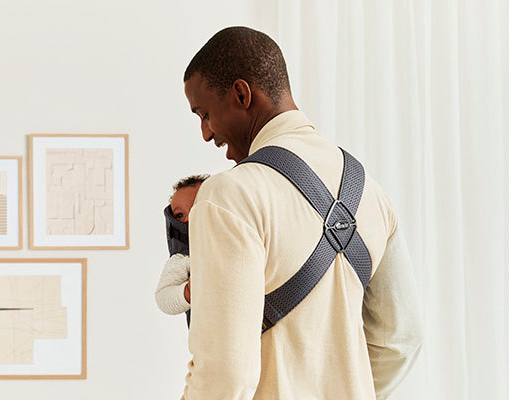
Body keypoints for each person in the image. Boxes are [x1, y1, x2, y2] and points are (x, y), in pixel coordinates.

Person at [180, 26, 423, 400]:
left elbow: (225, 375)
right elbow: (401, 339)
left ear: (242, 94)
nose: (206, 133)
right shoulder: (372, 194)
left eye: (205, 113)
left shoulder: (229, 194)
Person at [155, 175, 209, 316]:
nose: (188, 218)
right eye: (179, 215)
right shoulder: (184, 257)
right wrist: (188, 292)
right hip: (207, 326)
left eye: (196, 208)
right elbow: (163, 296)